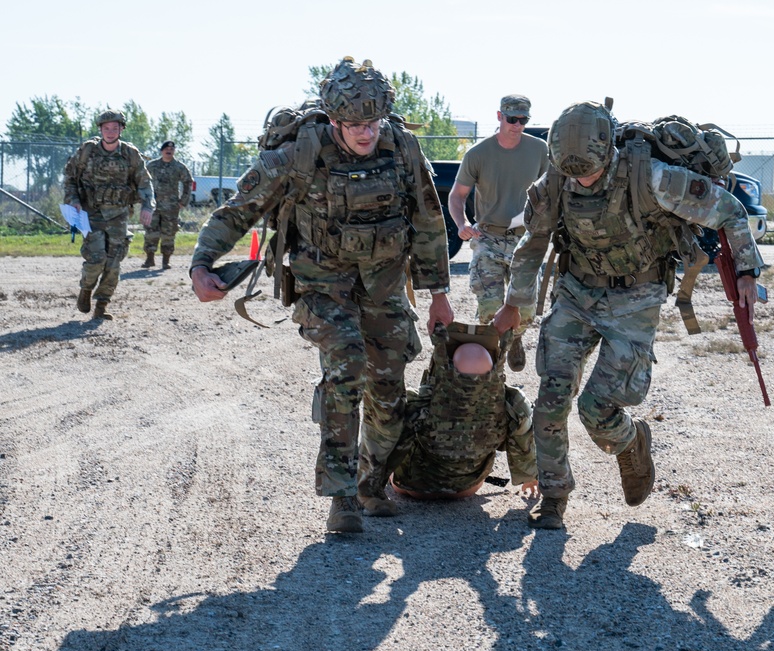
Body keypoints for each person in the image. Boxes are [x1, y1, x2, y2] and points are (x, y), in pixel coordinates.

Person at [189, 56, 454, 534]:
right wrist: (201, 263)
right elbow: (238, 209)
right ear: (334, 119)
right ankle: (341, 496)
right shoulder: (299, 153)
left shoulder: (402, 146)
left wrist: (437, 292)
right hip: (323, 282)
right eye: (354, 124)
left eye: (373, 122)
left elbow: (430, 221)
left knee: (389, 391)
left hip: (385, 283)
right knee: (347, 368)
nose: (366, 133)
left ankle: (372, 483)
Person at [493, 101, 765, 530]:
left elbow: (728, 210)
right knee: (551, 399)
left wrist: (748, 269)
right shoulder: (557, 180)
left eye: (590, 172)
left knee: (596, 409)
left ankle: (632, 442)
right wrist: (514, 304)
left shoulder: (653, 178)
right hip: (576, 291)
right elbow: (534, 241)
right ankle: (554, 496)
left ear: (609, 155)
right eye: (573, 172)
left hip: (636, 297)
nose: (581, 179)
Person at [447, 94, 548, 371]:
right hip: (487, 238)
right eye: (511, 119)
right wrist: (462, 224)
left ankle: (515, 338)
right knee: (490, 309)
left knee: (525, 311)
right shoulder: (478, 154)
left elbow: (550, 192)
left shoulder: (539, 150)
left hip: (524, 239)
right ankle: (495, 365)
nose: (516, 125)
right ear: (499, 116)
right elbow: (457, 196)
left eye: (522, 120)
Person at [387, 322, 538, 500]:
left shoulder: (421, 400)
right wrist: (530, 477)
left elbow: (387, 439)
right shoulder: (509, 403)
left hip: (414, 487)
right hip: (468, 486)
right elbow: (523, 440)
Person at [63, 109, 154, 320]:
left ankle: (102, 305)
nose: (110, 132)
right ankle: (85, 290)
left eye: (115, 128)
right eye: (106, 128)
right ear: (100, 130)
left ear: (122, 129)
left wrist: (148, 207)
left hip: (119, 216)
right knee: (96, 258)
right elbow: (69, 178)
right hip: (91, 214)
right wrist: (73, 200)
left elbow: (144, 183)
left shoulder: (130, 154)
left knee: (113, 263)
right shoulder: (87, 151)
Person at [142, 141, 192, 269]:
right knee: (151, 232)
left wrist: (183, 201)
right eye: (166, 149)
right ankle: (149, 259)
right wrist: (144, 198)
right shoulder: (152, 165)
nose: (169, 151)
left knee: (169, 233)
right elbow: (142, 181)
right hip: (153, 205)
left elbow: (188, 182)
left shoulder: (179, 167)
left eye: (171, 149)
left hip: (171, 207)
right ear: (161, 151)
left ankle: (166, 261)